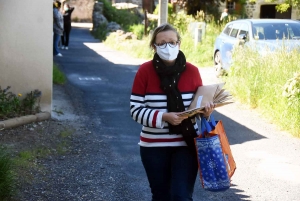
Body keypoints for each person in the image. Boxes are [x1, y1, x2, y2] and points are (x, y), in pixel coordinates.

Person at [130, 23, 215, 200]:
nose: (167, 47)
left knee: (181, 196)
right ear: (154, 47)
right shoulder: (144, 71)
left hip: (186, 145)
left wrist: (206, 112)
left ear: (179, 44)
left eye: (172, 42)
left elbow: (197, 107)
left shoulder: (192, 71)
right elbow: (135, 110)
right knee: (160, 196)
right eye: (161, 43)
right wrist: (163, 117)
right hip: (153, 147)